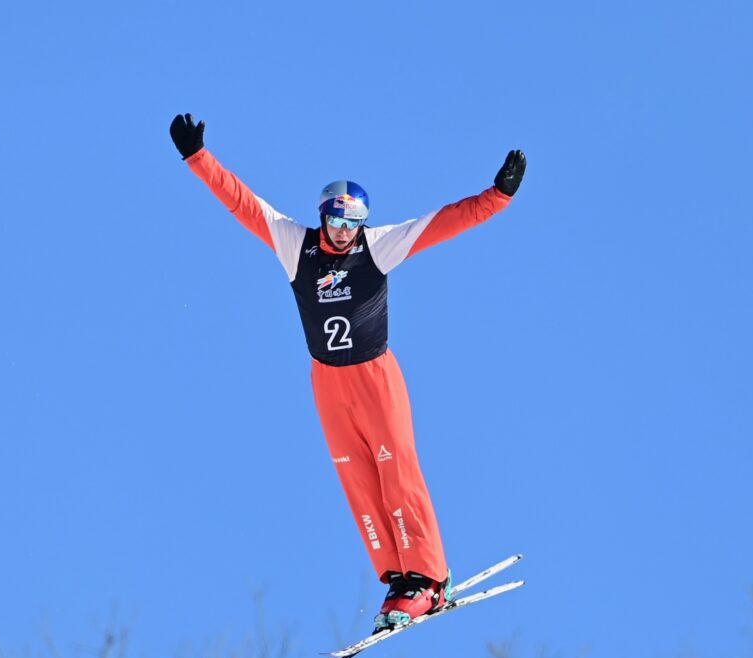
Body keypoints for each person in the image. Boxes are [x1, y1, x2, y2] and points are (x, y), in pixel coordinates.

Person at [169, 113, 526, 631]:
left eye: (350, 223)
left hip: (374, 376)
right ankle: (399, 579)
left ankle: (428, 577)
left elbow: (445, 222)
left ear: (362, 222)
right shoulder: (298, 246)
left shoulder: (376, 245)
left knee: (396, 469)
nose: (342, 232)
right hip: (328, 381)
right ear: (322, 217)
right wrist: (198, 157)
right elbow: (242, 203)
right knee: (357, 477)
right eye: (335, 221)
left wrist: (498, 195)